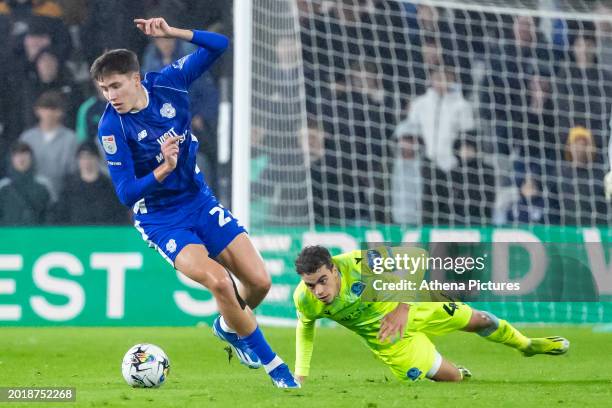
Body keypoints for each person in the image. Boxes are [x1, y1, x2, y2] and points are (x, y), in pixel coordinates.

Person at [91, 17, 299, 388]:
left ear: (137, 78)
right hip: (161, 218)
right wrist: (163, 169)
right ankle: (277, 368)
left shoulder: (170, 82)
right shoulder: (112, 127)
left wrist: (174, 33)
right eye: (104, 89)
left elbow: (219, 45)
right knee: (220, 282)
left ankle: (228, 326)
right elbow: (125, 193)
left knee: (260, 283)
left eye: (116, 86)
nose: (111, 96)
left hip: (199, 202)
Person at [293, 245, 569, 383]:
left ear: (333, 269)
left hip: (413, 304)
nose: (318, 291)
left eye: (322, 280)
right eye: (310, 284)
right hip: (386, 337)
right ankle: (458, 371)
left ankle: (527, 345)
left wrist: (402, 307)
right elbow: (305, 329)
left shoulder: (359, 262)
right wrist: (301, 374)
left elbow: (417, 256)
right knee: (451, 379)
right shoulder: (305, 299)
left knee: (479, 321)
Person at [51, 141, 129, 225]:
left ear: (98, 159)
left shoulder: (109, 187)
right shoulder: (69, 187)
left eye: (90, 157)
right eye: (83, 157)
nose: (87, 161)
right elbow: (60, 216)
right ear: (78, 160)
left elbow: (119, 216)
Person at [0, 141, 52, 225]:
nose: (21, 158)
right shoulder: (3, 187)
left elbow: (49, 215)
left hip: (36, 236)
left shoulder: (43, 185)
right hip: (9, 236)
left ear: (31, 158)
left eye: (25, 154)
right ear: (11, 159)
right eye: (17, 155)